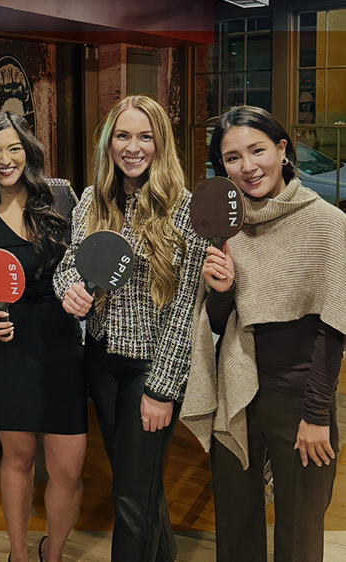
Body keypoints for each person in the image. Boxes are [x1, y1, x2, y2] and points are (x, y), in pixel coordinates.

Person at [181, 105, 346, 562]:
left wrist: (316, 415)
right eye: (232, 158)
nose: (248, 167)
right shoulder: (226, 229)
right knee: (235, 523)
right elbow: (216, 322)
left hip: (300, 395)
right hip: (237, 384)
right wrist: (221, 289)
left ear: (282, 149)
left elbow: (334, 328)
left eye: (257, 151)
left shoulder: (327, 224)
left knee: (299, 531)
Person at [53, 95, 206, 562]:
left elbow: (185, 310)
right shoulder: (93, 201)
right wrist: (69, 291)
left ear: (161, 142)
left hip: (150, 369)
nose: (133, 147)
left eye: (144, 136)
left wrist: (162, 388)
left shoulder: (185, 210)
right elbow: (67, 264)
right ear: (109, 143)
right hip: (101, 361)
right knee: (135, 482)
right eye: (123, 136)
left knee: (131, 498)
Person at [0, 111, 87, 562]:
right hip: (5, 347)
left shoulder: (62, 196)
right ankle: (18, 554)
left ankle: (53, 552)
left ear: (28, 151)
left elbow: (86, 262)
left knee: (67, 469)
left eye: (13, 148)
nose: (4, 158)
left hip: (60, 344)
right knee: (18, 459)